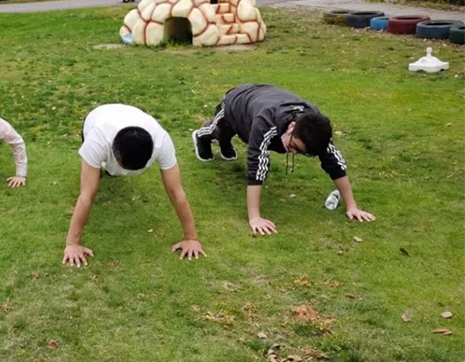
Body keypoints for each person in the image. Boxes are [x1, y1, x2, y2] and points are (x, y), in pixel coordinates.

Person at [190, 84, 375, 236]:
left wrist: (352, 206)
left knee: (234, 141)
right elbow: (256, 167)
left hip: (264, 101)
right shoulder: (266, 121)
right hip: (238, 101)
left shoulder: (315, 127)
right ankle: (202, 136)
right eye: (293, 146)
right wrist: (255, 217)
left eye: (300, 152)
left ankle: (224, 143)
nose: (293, 152)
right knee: (219, 131)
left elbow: (334, 163)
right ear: (292, 126)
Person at [65, 105, 204, 266]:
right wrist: (72, 244)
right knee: (93, 182)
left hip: (132, 122)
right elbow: (86, 195)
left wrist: (191, 238)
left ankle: (111, 171)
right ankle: (105, 170)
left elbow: (176, 192)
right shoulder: (96, 140)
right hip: (97, 117)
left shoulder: (161, 142)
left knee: (108, 174)